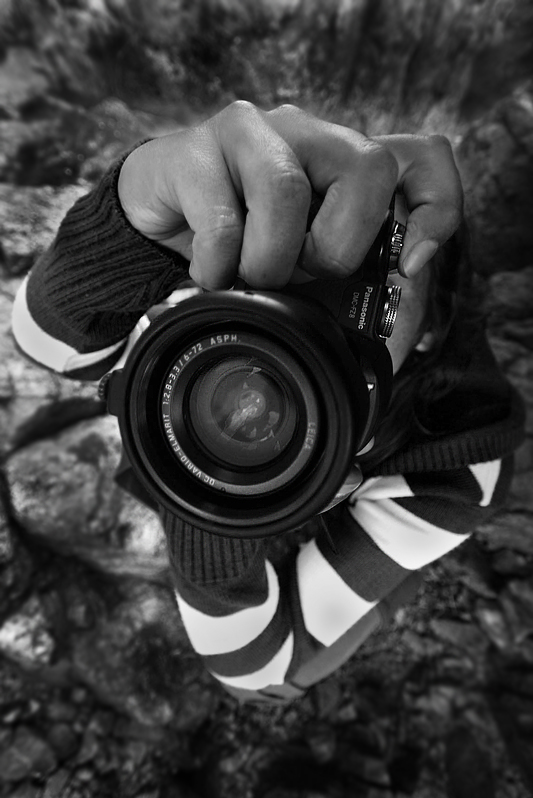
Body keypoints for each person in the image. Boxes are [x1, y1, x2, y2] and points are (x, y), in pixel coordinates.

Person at [11, 102, 525, 703]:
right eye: (295, 246)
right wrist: (130, 216)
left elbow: (254, 668)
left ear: (434, 328)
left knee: (280, 685)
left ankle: (392, 598)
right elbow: (42, 347)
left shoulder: (458, 465)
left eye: (372, 289)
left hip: (402, 466)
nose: (307, 300)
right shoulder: (207, 306)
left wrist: (212, 498)